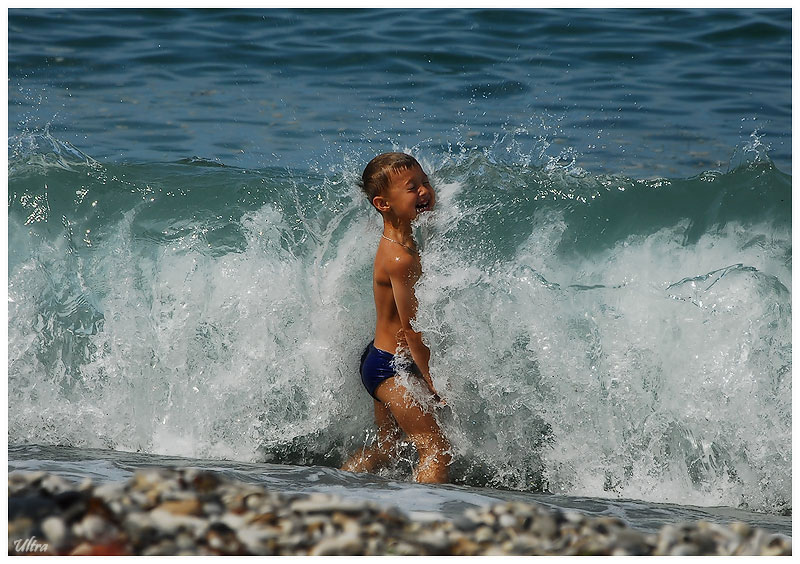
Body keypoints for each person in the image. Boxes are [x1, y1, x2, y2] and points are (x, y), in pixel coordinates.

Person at [341, 152, 451, 484]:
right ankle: (425, 511)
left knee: (387, 449)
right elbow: (411, 329)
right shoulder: (400, 258)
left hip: (380, 356)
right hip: (391, 368)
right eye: (412, 188)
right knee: (435, 448)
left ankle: (336, 486)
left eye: (425, 182)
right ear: (383, 203)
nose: (424, 191)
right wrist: (432, 382)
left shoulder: (402, 239)